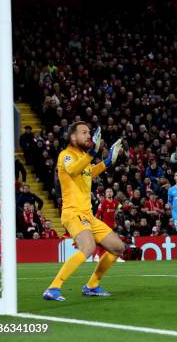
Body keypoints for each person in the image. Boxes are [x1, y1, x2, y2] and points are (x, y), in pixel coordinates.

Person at [42, 122, 124, 301]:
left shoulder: (83, 157)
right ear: (73, 137)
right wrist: (93, 152)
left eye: (90, 132)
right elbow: (73, 171)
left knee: (118, 247)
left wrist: (109, 160)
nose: (89, 136)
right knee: (88, 247)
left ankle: (92, 285)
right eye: (84, 133)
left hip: (88, 215)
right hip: (73, 213)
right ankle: (53, 288)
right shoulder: (66, 155)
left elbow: (89, 172)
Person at [94, 188, 125, 262]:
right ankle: (98, 256)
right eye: (107, 192)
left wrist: (129, 205)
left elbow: (123, 207)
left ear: (113, 193)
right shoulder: (103, 203)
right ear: (105, 194)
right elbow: (98, 214)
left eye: (110, 191)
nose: (109, 193)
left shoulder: (115, 202)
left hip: (112, 226)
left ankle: (98, 256)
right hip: (104, 226)